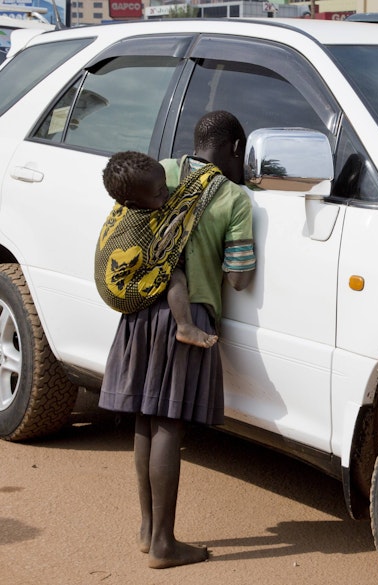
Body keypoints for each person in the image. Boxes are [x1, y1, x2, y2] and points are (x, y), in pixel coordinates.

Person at [97, 110, 256, 569]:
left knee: (145, 420)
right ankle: (166, 545)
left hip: (139, 309)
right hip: (186, 320)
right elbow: (240, 279)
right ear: (235, 149)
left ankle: (149, 531)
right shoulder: (232, 197)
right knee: (170, 422)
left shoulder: (159, 172)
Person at [98, 151, 218, 348]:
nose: (167, 193)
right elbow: (183, 206)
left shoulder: (124, 203)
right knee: (176, 275)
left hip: (108, 280)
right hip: (123, 293)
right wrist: (209, 172)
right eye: (159, 192)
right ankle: (185, 327)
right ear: (133, 204)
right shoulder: (141, 225)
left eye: (165, 184)